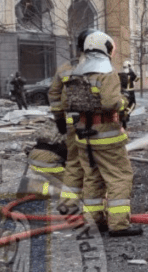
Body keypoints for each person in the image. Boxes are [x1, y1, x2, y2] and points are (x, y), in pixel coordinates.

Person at [66, 31, 141, 237]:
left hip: (84, 136)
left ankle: (93, 222)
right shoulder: (106, 73)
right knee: (119, 178)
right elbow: (111, 103)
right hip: (107, 135)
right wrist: (125, 99)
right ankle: (118, 225)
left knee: (92, 178)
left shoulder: (78, 72)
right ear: (105, 48)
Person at [48, 28, 98, 215]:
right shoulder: (101, 69)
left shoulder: (65, 68)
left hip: (71, 125)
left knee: (74, 163)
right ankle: (95, 210)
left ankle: (68, 204)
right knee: (96, 165)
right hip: (96, 124)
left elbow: (53, 95)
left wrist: (59, 118)